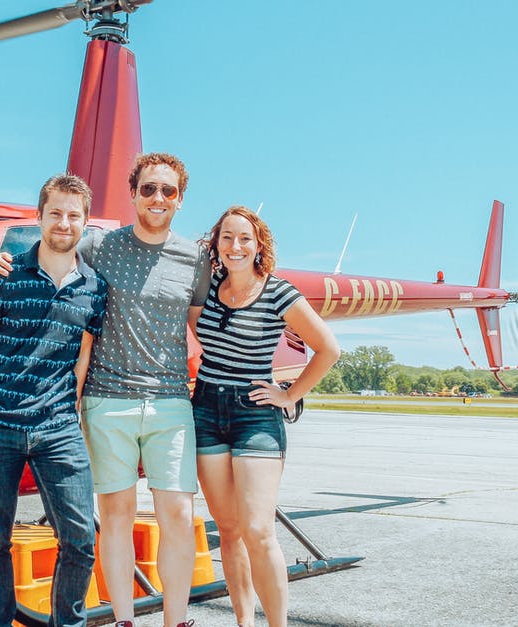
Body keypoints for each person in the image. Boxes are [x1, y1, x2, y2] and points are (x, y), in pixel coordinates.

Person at [0, 153, 209, 627]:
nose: (157, 198)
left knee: (176, 510)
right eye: (148, 188)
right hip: (108, 399)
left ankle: (175, 620)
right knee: (117, 513)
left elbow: (205, 325)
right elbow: (52, 243)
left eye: (167, 191)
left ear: (181, 199)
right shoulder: (100, 245)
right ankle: (124, 619)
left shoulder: (196, 257)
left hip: (170, 399)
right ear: (132, 194)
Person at [0, 173, 108, 627]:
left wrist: (79, 425)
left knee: (80, 539)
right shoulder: (5, 274)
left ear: (85, 222)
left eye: (74, 215)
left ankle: (66, 624)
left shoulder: (94, 287)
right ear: (39, 217)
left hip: (57, 427)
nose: (64, 223)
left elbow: (82, 362)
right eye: (55, 213)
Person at [189, 205, 340, 627]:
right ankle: (244, 622)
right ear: (216, 245)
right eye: (227, 238)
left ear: (258, 246)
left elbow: (329, 349)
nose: (235, 246)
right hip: (205, 409)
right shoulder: (208, 285)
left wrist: (290, 394)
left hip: (255, 414)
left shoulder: (278, 292)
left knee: (258, 530)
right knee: (230, 530)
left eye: (245, 239)